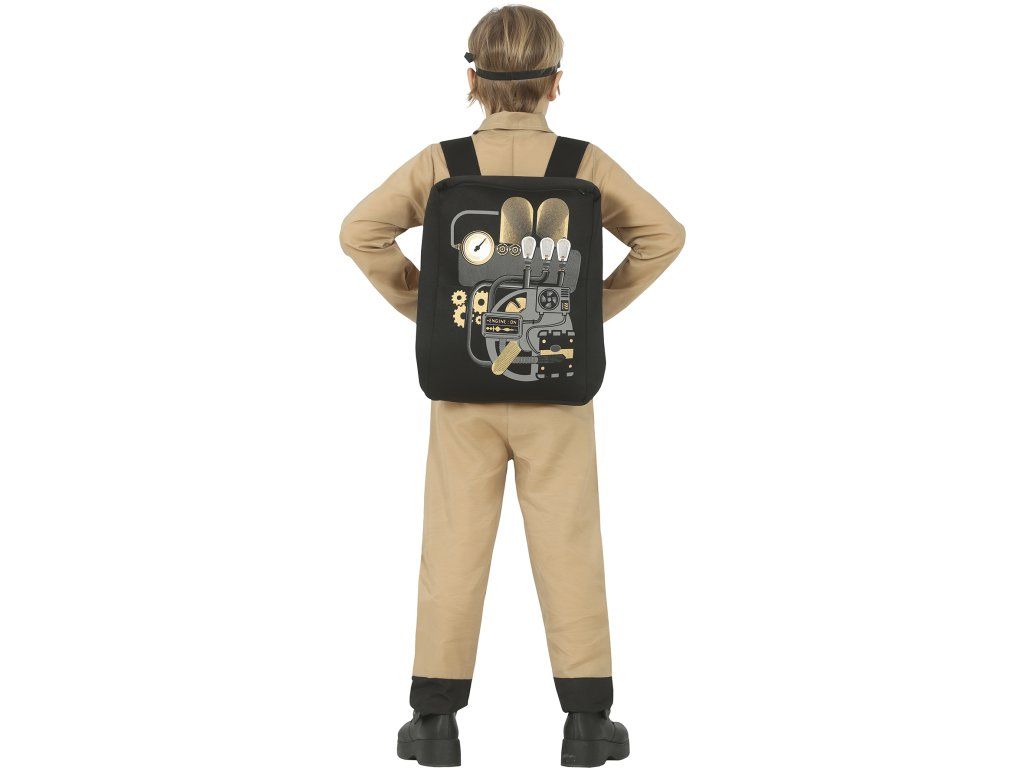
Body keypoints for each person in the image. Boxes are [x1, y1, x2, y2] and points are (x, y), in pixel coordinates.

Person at [340, 6, 685, 766]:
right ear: (556, 82)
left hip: (462, 386)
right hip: (557, 387)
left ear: (473, 81)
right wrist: (589, 310)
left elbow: (359, 231)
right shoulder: (584, 165)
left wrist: (430, 308)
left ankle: (434, 721)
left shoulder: (442, 164)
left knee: (453, 545)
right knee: (568, 543)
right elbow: (664, 235)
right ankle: (587, 721)